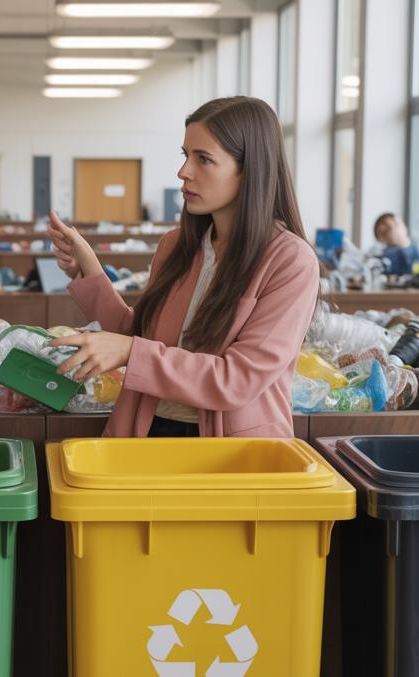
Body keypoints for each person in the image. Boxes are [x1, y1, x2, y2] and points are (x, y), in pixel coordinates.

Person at [47, 96, 318, 439]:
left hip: (231, 449)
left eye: (203, 159)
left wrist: (131, 351)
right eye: (185, 155)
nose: (183, 172)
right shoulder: (176, 246)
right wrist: (88, 271)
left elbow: (237, 380)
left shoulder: (290, 261)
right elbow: (141, 337)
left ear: (250, 170)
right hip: (150, 429)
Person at [373, 212, 419, 277]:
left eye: (388, 229)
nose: (384, 236)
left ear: (401, 225)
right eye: (381, 234)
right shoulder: (381, 256)